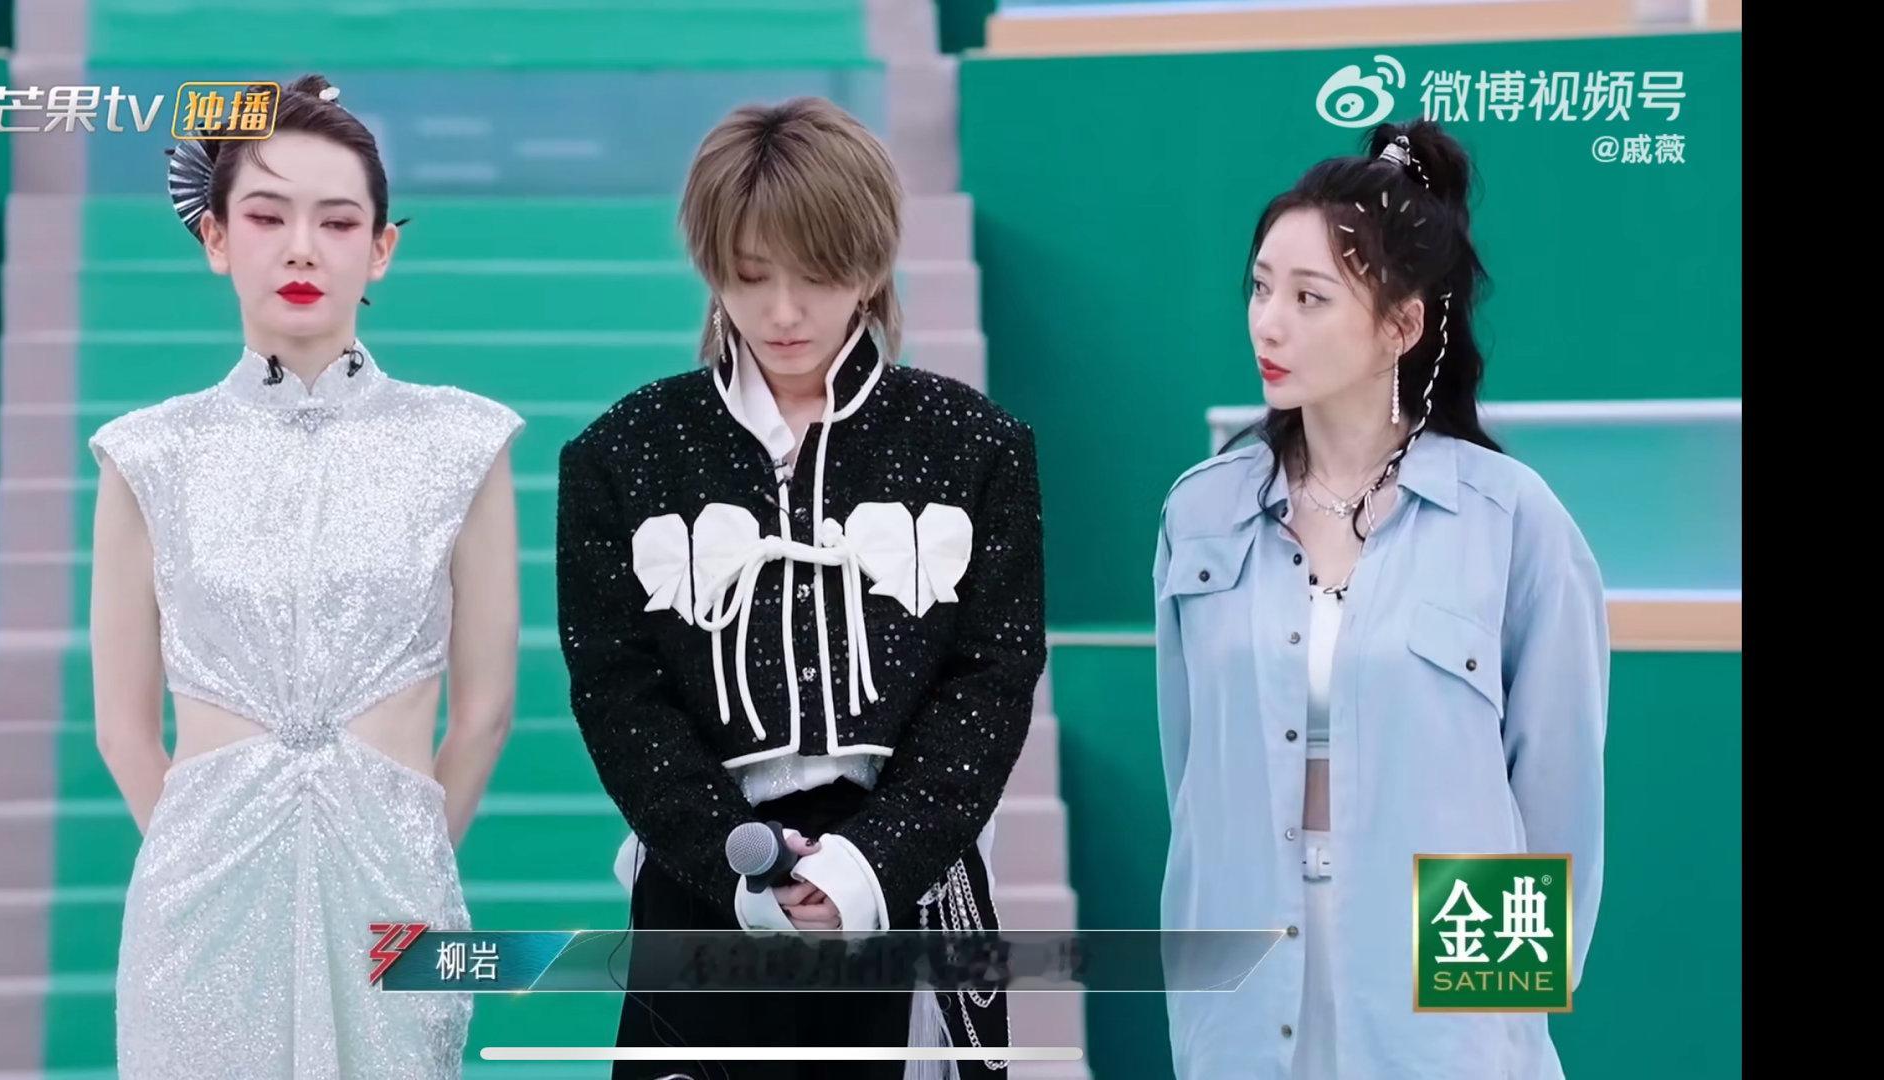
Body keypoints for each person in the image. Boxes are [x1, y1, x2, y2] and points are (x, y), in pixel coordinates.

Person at [554, 97, 1043, 1080]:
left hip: (908, 885)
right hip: (707, 887)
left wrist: (873, 861)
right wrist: (729, 853)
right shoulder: (622, 452)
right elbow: (618, 692)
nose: (782, 312)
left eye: (817, 276)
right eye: (749, 275)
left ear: (871, 264)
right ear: (711, 266)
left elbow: (990, 682)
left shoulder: (976, 445)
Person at [88, 74, 522, 1078]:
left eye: (336, 221)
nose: (300, 248)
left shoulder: (462, 441)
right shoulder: (148, 454)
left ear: (381, 248)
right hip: (197, 904)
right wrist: (200, 856)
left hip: (396, 884)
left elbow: (486, 713)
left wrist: (409, 848)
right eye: (265, 216)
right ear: (214, 237)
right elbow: (122, 726)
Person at [1153, 119, 1607, 1079]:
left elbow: (1552, 801)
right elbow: (1190, 779)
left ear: (1400, 326)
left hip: (1432, 989)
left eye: (1308, 297)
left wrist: (1487, 1023)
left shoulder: (1508, 519)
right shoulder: (1200, 513)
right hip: (1244, 979)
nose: (1267, 323)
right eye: (1260, 288)